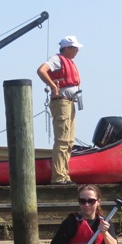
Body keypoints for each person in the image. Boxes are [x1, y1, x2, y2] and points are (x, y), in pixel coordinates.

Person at [37, 35, 83, 185]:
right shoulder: (57, 59)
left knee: (69, 141)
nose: (77, 51)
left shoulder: (69, 62)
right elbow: (41, 70)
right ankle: (58, 177)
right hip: (61, 102)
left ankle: (64, 174)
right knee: (62, 140)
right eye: (75, 48)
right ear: (67, 48)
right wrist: (53, 85)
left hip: (70, 102)